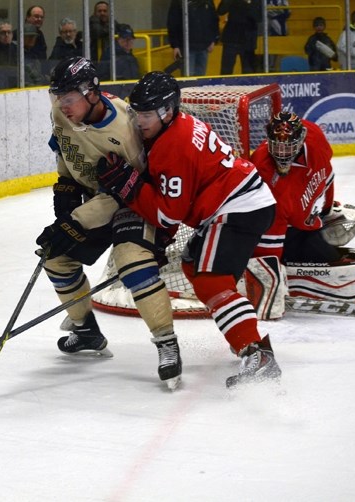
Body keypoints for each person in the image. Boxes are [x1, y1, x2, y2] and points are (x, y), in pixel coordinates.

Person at [95, 71, 281, 387]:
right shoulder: (174, 129)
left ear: (168, 111)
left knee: (211, 281)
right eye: (137, 112)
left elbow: (169, 215)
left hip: (237, 207)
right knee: (193, 265)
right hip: (240, 203)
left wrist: (128, 186)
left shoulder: (173, 144)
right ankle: (248, 346)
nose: (140, 120)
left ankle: (256, 354)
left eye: (148, 114)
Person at [36, 57, 182, 389]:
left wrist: (76, 220)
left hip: (132, 201)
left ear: (90, 93)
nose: (62, 105)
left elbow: (120, 193)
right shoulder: (62, 112)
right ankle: (86, 331)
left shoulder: (125, 132)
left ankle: (166, 342)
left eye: (68, 98)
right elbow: (64, 149)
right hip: (95, 198)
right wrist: (66, 190)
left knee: (132, 264)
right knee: (55, 257)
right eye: (57, 98)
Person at [250, 112, 342, 263]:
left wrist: (327, 211)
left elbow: (326, 174)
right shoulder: (264, 172)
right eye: (277, 146)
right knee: (328, 259)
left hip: (306, 220)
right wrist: (271, 268)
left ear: (301, 138)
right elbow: (270, 232)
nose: (282, 153)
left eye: (288, 147)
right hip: (285, 232)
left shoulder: (315, 138)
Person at [166, 0, 219, 77]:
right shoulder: (179, 2)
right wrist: (175, 45)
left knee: (200, 77)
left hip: (204, 45)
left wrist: (213, 40)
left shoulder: (208, 1)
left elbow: (214, 19)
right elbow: (172, 23)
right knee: (188, 77)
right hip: (186, 46)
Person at [217, 0, 262, 75]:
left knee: (248, 72)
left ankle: (248, 87)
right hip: (231, 38)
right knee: (226, 71)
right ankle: (224, 86)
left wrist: (248, 3)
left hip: (248, 40)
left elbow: (258, 17)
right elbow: (221, 11)